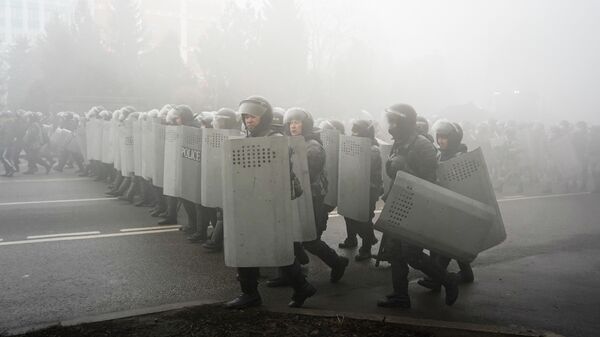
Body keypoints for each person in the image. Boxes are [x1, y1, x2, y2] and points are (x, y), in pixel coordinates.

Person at [225, 96, 316, 309]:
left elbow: (280, 168)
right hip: (252, 198)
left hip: (271, 200)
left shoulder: (275, 137)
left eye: (253, 116)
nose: (248, 120)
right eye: (246, 116)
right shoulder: (249, 136)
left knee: (273, 247)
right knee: (249, 245)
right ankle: (256, 293)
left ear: (264, 117)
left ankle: (297, 287)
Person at [377, 103, 460, 309]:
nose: (391, 126)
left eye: (395, 121)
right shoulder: (400, 142)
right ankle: (400, 296)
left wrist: (404, 168)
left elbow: (430, 181)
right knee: (395, 252)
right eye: (391, 121)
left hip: (417, 205)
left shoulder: (422, 145)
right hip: (399, 200)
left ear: (405, 122)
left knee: (412, 255)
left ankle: (448, 281)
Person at [267, 108, 349, 288]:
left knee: (309, 239)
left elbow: (306, 174)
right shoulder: (289, 142)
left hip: (311, 197)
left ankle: (337, 262)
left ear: (306, 124)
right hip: (293, 194)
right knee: (287, 235)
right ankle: (288, 273)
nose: (293, 126)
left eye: (297, 122)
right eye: (291, 122)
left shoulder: (313, 146)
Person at [417, 120, 474, 292]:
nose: (440, 141)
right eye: (439, 137)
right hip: (443, 204)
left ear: (454, 139)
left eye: (444, 138)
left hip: (458, 206)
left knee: (446, 244)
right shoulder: (440, 155)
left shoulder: (461, 158)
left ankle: (436, 278)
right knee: (450, 243)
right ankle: (466, 273)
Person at [342, 119, 383, 261]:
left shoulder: (373, 149)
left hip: (369, 189)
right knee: (348, 214)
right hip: (354, 185)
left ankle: (366, 248)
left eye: (356, 130)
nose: (353, 133)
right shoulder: (355, 145)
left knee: (364, 219)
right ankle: (351, 239)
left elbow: (364, 167)